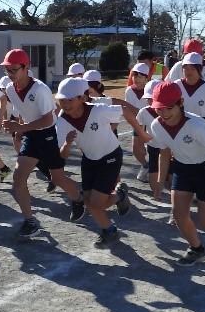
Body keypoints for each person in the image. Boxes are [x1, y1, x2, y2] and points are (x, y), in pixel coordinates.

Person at [56, 77, 151, 246]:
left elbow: (124, 110)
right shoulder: (63, 120)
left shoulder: (98, 110)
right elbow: (62, 155)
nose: (65, 104)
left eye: (70, 99)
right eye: (62, 100)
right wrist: (67, 143)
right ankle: (120, 195)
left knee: (95, 205)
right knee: (88, 202)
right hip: (89, 159)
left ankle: (110, 230)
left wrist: (141, 134)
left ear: (83, 98)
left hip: (110, 157)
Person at [0, 49, 83, 238]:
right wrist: (19, 127)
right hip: (31, 135)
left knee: (57, 178)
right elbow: (23, 111)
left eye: (13, 70)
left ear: (26, 67)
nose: (10, 74)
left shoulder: (40, 89)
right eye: (7, 70)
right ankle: (30, 221)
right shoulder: (11, 89)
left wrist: (21, 128)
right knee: (18, 179)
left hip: (47, 135)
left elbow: (48, 119)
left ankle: (78, 199)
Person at [148, 81, 205, 266]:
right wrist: (160, 181)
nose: (164, 113)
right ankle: (197, 248)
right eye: (159, 109)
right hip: (182, 169)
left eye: (169, 108)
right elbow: (165, 151)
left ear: (181, 103)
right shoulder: (156, 125)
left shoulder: (197, 125)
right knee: (178, 214)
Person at [135, 80, 164, 197]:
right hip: (153, 146)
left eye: (153, 98)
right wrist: (140, 144)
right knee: (154, 173)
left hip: (170, 147)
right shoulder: (143, 112)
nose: (150, 101)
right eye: (148, 99)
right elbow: (139, 130)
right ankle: (157, 189)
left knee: (172, 175)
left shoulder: (170, 110)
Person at [125, 62, 151, 180]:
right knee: (136, 149)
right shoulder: (129, 90)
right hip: (138, 123)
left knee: (156, 148)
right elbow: (129, 108)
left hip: (152, 124)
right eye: (135, 76)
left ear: (147, 78)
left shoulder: (152, 89)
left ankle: (161, 169)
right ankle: (146, 165)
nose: (137, 79)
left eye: (140, 76)